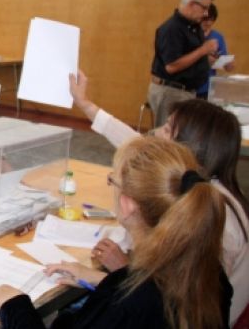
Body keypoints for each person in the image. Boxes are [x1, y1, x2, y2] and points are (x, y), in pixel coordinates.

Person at [0, 137, 232, 328]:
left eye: (112, 181)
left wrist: (14, 305)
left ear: (128, 204)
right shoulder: (203, 268)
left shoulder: (130, 305)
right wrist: (102, 279)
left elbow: (133, 304)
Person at [70, 69, 249, 324]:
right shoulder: (199, 188)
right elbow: (134, 143)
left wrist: (123, 271)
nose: (153, 134)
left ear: (186, 147)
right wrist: (85, 104)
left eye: (165, 130)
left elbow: (175, 301)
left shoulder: (214, 215)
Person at [148, 0, 218, 127]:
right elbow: (172, 66)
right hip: (171, 92)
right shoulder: (172, 29)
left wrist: (206, 60)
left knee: (179, 136)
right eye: (204, 8)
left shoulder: (194, 26)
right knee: (167, 138)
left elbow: (192, 56)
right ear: (192, 4)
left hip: (186, 92)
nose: (206, 14)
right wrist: (202, 51)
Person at [197, 3, 234, 99]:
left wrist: (228, 65)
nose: (208, 23)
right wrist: (205, 60)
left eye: (211, 20)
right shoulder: (190, 35)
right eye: (205, 19)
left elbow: (223, 58)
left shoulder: (218, 36)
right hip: (190, 87)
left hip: (208, 87)